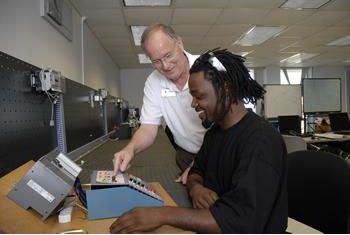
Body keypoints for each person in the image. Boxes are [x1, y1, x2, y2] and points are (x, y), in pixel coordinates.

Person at [109, 48, 288, 233]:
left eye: (199, 96)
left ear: (226, 89)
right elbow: (195, 171)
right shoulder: (215, 133)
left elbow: (239, 220)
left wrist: (162, 215)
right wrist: (196, 188)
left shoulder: (261, 140)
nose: (193, 104)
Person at [112, 23, 207, 184]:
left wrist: (199, 164)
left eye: (168, 56)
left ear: (180, 44)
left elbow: (227, 124)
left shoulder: (209, 68)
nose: (165, 66)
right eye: (156, 61)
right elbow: (148, 128)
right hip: (185, 154)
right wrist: (130, 149)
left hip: (218, 151)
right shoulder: (153, 81)